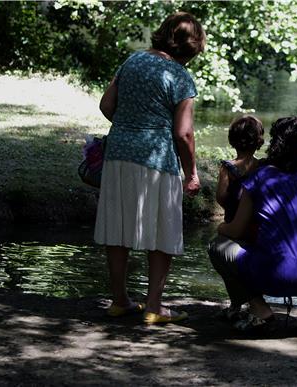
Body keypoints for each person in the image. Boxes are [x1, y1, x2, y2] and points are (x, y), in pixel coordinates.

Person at [94, 12, 206, 324]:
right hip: (157, 160)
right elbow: (183, 134)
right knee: (162, 231)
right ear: (191, 47)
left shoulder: (132, 62)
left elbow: (106, 106)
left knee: (117, 228)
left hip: (118, 154)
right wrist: (192, 173)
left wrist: (130, 128)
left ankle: (119, 300)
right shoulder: (181, 77)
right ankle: (154, 306)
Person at [208, 116, 297, 335]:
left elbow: (237, 229)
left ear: (273, 144)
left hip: (274, 276)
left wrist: (221, 228)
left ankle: (260, 311)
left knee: (217, 247)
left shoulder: (260, 177)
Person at [216, 115, 264, 224]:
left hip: (233, 219)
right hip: (257, 221)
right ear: (258, 141)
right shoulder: (263, 166)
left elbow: (221, 196)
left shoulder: (227, 168)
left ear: (232, 140)